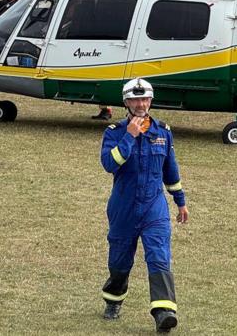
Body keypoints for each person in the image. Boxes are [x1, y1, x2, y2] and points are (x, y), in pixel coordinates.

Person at [100, 78, 188, 333]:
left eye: (146, 99)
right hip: (123, 208)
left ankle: (164, 313)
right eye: (136, 99)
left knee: (159, 256)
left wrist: (180, 201)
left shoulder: (163, 132)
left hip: (154, 208)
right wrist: (129, 137)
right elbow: (109, 164)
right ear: (126, 102)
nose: (141, 104)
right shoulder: (114, 132)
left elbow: (170, 170)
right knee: (119, 261)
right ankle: (113, 299)